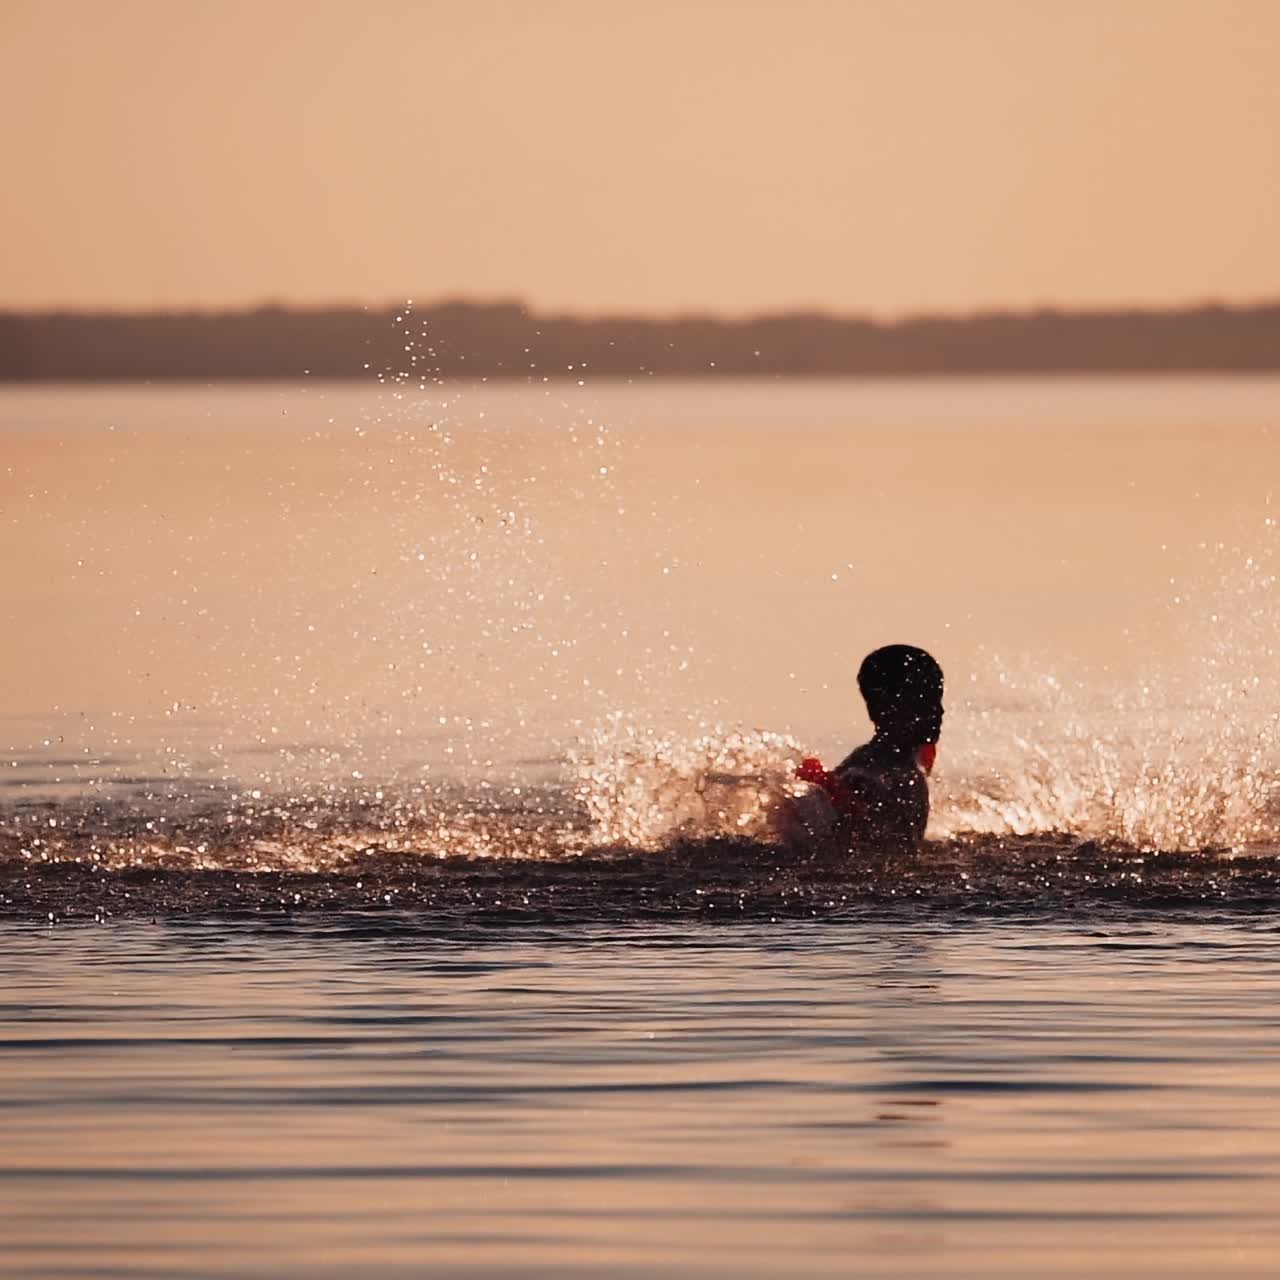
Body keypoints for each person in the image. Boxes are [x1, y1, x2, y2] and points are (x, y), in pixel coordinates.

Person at [786, 645, 944, 853]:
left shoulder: (917, 755)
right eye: (923, 702)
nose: (939, 711)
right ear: (883, 708)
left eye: (938, 699)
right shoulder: (870, 776)